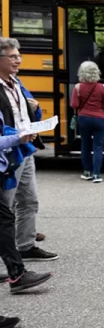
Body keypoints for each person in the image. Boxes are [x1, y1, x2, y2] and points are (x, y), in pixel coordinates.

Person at [0, 38, 58, 262]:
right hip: (8, 153)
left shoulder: (16, 82)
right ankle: (8, 255)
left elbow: (25, 112)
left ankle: (25, 245)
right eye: (13, 57)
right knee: (5, 206)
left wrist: (34, 111)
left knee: (29, 200)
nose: (18, 60)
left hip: (25, 147)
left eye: (19, 56)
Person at [0, 115, 52, 294]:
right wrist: (17, 138)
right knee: (4, 219)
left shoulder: (16, 87)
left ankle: (17, 273)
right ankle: (17, 275)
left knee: (5, 218)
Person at [70, 61, 104, 183]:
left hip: (84, 118)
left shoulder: (78, 87)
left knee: (85, 146)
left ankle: (87, 172)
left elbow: (74, 105)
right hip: (100, 119)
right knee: (98, 147)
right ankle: (97, 175)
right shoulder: (103, 88)